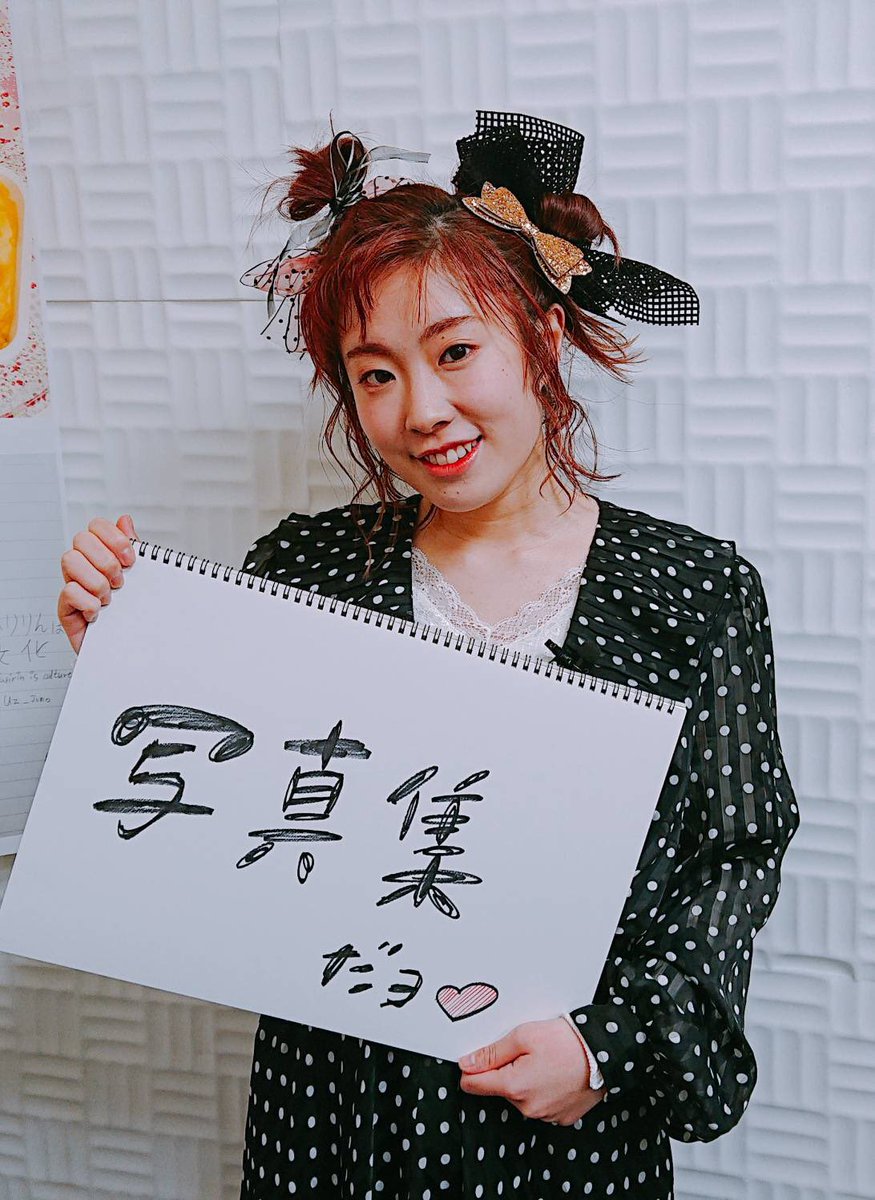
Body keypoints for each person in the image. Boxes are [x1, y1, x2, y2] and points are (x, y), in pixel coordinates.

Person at [57, 112, 800, 1200]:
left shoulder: (693, 592)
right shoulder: (304, 571)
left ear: (542, 336)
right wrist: (130, 675)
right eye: (375, 375)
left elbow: (728, 860)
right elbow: (230, 840)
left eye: (455, 352)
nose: (421, 411)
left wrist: (603, 1049)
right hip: (331, 1114)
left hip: (563, 1131)